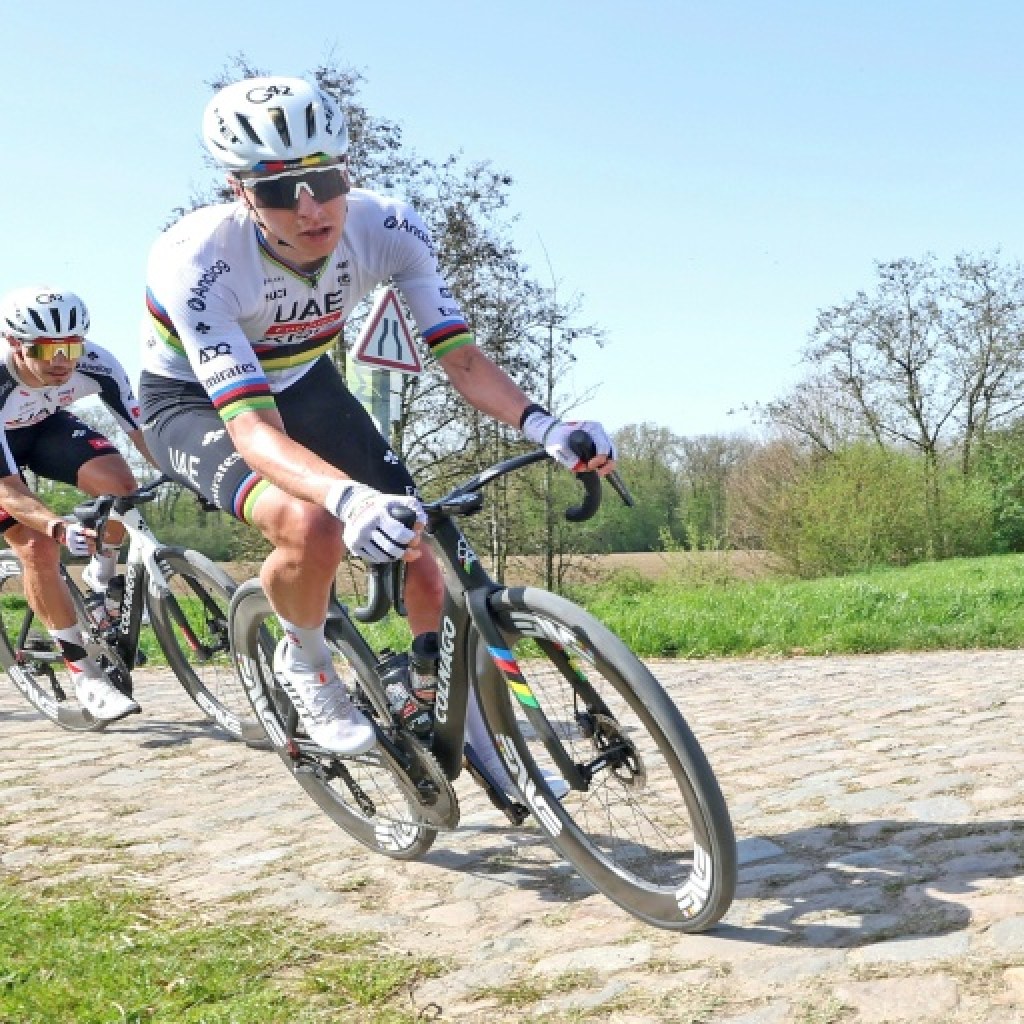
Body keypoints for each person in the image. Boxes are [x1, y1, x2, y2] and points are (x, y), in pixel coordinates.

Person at [139, 76, 616, 796]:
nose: (308, 208)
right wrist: (348, 498)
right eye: (276, 191)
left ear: (347, 172)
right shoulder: (198, 260)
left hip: (304, 381)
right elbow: (253, 427)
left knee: (425, 550)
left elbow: (459, 356)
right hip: (194, 404)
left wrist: (546, 424)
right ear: (242, 193)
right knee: (310, 522)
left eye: (324, 180)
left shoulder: (387, 227)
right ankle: (304, 662)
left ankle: (439, 703)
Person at [0, 287, 155, 722]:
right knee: (38, 548)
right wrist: (57, 527)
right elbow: (8, 488)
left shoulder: (97, 363)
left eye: (70, 346)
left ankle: (100, 576)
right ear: (14, 343)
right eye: (45, 349)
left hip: (42, 427)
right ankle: (83, 672)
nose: (60, 360)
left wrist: (195, 476)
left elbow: (143, 433)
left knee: (122, 487)